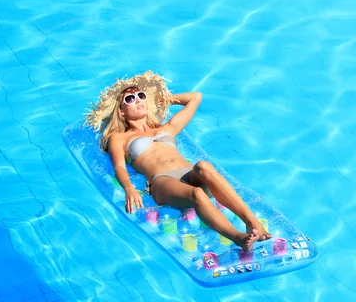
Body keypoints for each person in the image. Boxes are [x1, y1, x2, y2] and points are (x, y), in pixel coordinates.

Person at [83, 70, 272, 251]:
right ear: (121, 111)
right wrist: (129, 188)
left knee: (203, 166)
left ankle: (252, 223)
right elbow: (119, 166)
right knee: (197, 193)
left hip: (188, 172)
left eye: (141, 96)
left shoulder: (168, 128)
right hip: (163, 182)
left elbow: (195, 97)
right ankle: (238, 237)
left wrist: (160, 100)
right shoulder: (120, 137)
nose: (138, 100)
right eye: (129, 99)